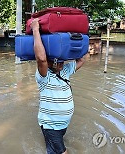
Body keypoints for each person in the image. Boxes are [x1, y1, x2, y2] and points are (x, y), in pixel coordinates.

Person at [31, 18, 85, 154]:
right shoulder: (44, 76)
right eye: (57, 60)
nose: (61, 63)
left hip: (63, 124)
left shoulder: (65, 71)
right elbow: (41, 59)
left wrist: (73, 37)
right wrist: (36, 30)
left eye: (62, 61)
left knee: (52, 150)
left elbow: (81, 59)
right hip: (51, 125)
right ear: (50, 60)